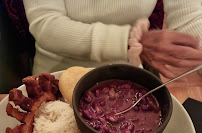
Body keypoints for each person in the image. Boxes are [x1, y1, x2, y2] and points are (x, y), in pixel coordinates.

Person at [22, 0, 202, 78]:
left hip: (127, 76)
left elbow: (191, 18)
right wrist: (127, 42)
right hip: (57, 76)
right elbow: (46, 25)